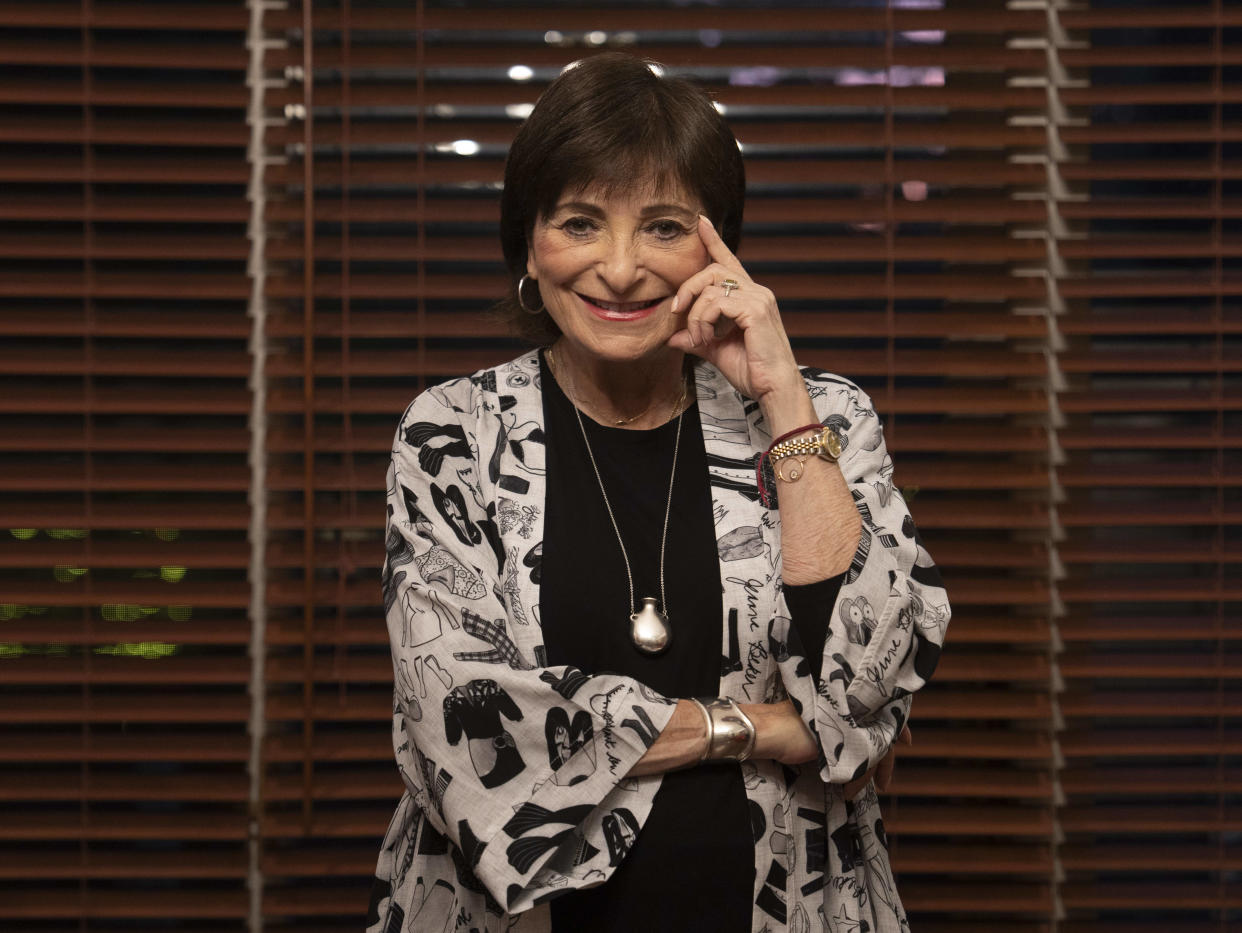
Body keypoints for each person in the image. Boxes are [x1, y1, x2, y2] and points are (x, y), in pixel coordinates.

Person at [367, 52, 949, 933]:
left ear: (721, 247)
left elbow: (865, 692)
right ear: (529, 239)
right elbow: (466, 725)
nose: (621, 267)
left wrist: (783, 395)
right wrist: (755, 728)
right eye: (580, 221)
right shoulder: (454, 433)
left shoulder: (828, 417)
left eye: (665, 227)